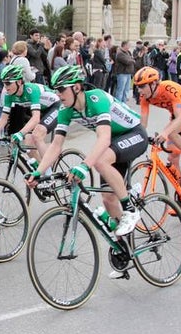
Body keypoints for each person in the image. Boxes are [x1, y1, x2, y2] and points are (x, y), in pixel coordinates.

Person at [27, 65, 148, 258]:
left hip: (133, 134)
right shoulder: (66, 110)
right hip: (115, 144)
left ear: (76, 87)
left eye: (61, 89)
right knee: (108, 200)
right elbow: (56, 145)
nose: (58, 95)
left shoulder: (96, 98)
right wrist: (38, 172)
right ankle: (125, 251)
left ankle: (130, 210)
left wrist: (84, 166)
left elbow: (104, 138)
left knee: (99, 161)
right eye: (56, 90)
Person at [133, 66, 181, 186]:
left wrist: (165, 133)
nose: (139, 90)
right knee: (172, 159)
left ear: (154, 83)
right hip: (176, 116)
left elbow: (180, 118)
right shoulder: (144, 97)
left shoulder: (169, 88)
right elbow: (143, 123)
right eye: (138, 87)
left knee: (171, 133)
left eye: (142, 86)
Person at [0, 63, 60, 167]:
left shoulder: (31, 90)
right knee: (28, 145)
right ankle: (42, 173)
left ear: (19, 82)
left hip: (55, 106)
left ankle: (49, 170)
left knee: (37, 135)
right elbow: (3, 119)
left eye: (8, 83)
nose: (5, 87)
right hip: (42, 110)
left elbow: (35, 118)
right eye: (3, 83)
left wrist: (20, 133)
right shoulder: (9, 95)